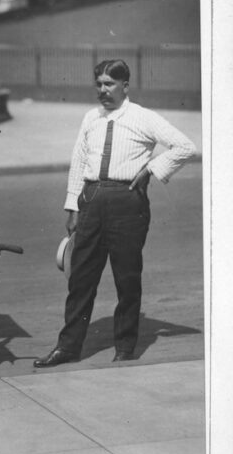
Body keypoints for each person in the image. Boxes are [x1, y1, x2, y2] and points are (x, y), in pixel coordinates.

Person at [35, 59, 197, 368]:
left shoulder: (143, 117)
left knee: (127, 277)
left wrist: (152, 168)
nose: (102, 90)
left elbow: (185, 146)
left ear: (125, 85)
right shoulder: (90, 118)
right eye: (98, 84)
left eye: (109, 84)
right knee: (80, 278)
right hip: (91, 199)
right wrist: (72, 207)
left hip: (127, 202)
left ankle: (124, 347)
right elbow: (79, 161)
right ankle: (68, 347)